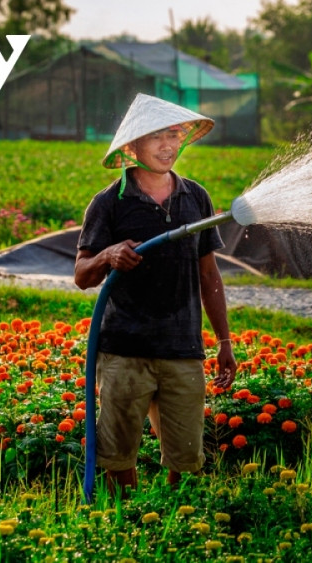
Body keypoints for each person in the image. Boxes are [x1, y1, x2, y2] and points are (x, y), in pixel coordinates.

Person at [74, 93, 237, 496]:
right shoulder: (109, 203)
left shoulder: (196, 197)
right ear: (133, 148)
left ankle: (176, 525)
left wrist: (224, 341)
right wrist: (109, 255)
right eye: (157, 137)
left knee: (186, 456)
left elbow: (208, 275)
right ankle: (122, 523)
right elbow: (81, 275)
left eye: (175, 136)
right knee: (117, 454)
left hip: (182, 349)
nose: (169, 146)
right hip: (125, 350)